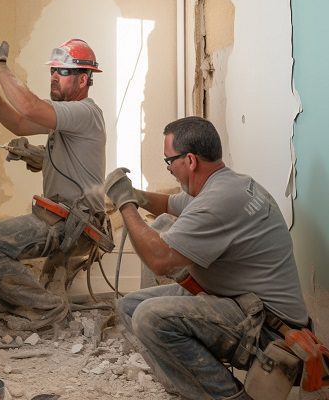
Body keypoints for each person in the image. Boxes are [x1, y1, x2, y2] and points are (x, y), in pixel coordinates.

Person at [104, 116, 309, 400]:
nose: (169, 169)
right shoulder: (229, 184)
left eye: (169, 161)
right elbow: (170, 204)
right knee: (129, 306)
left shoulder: (218, 201)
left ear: (190, 160)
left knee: (150, 317)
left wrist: (125, 205)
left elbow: (159, 259)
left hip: (269, 328)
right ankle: (189, 389)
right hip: (243, 302)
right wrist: (135, 194)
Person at [0, 38, 107, 330]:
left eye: (63, 72)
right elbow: (19, 123)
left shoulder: (83, 112)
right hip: (61, 217)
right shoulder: (67, 117)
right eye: (53, 70)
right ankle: (37, 301)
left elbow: (29, 108)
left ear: (83, 79)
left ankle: (48, 310)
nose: (54, 76)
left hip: (71, 223)